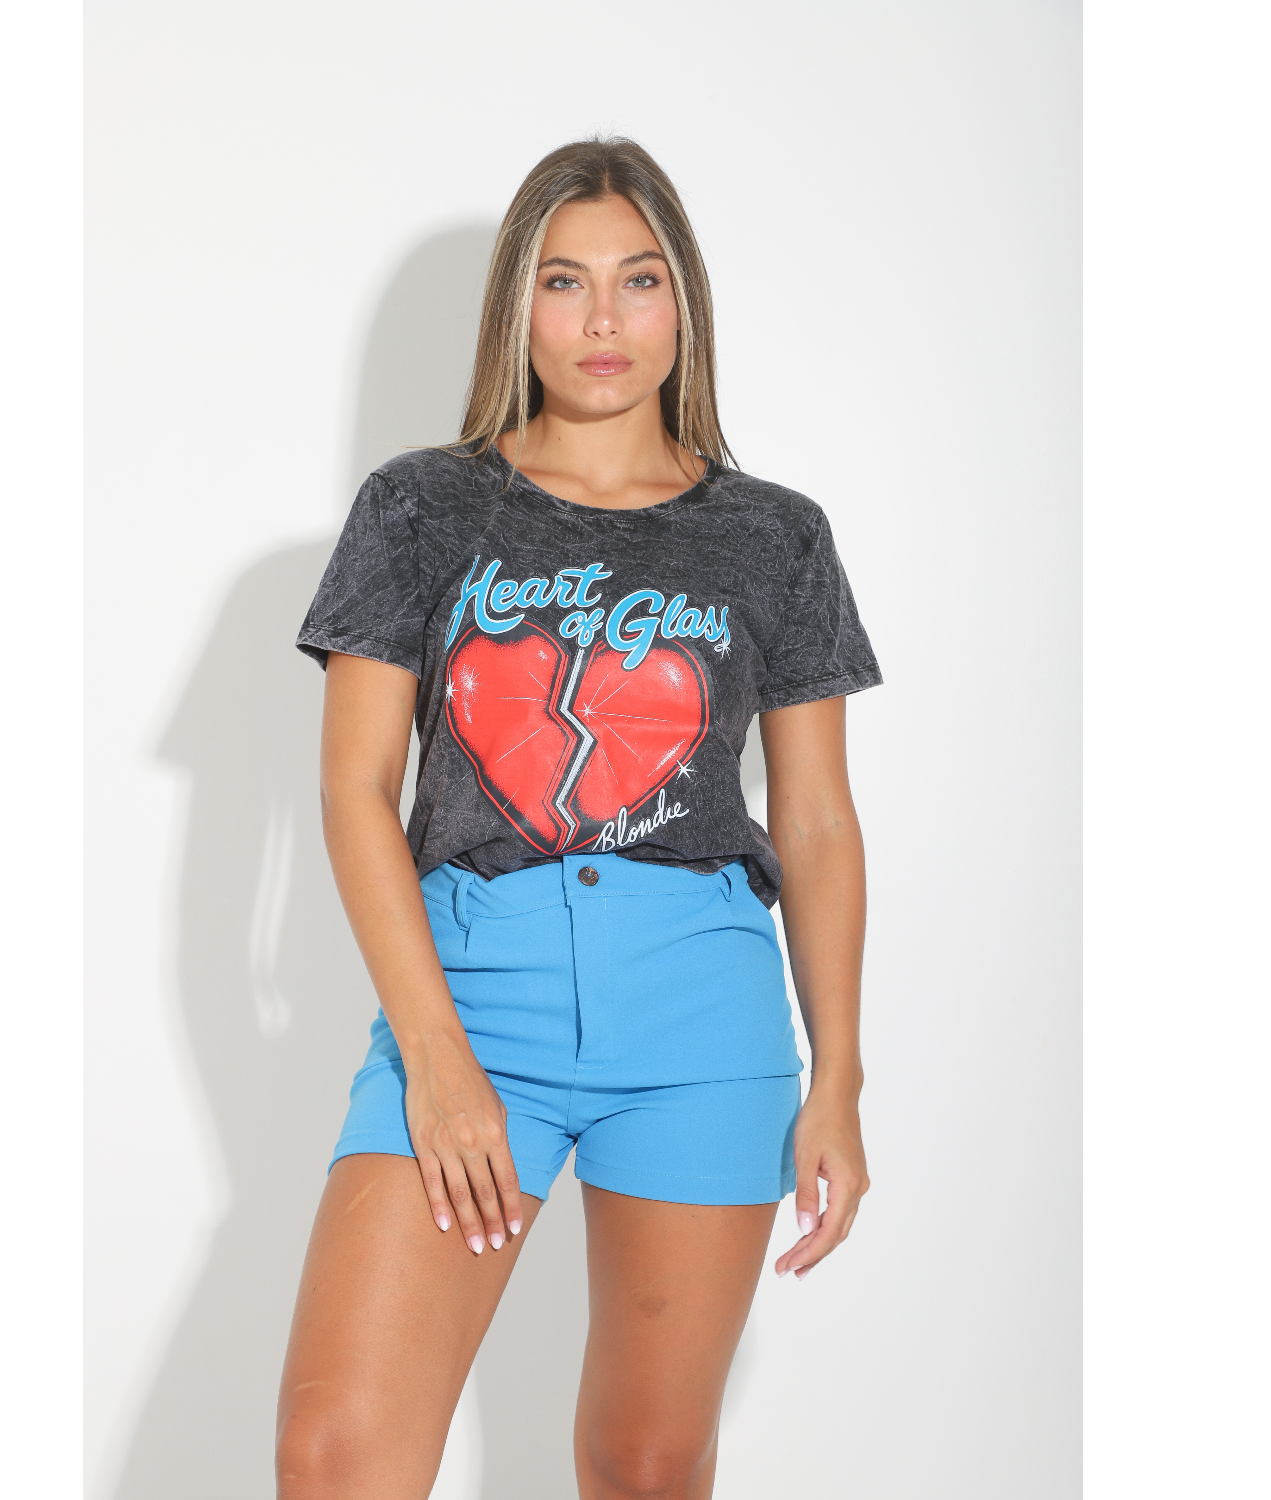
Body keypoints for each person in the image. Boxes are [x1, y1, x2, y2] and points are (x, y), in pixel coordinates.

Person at [281, 136, 880, 1499]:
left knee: (644, 1464)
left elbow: (818, 823)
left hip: (702, 1016)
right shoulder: (421, 506)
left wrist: (839, 1077)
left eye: (639, 280)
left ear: (685, 305)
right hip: (471, 993)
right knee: (337, 1453)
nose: (604, 319)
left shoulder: (777, 535)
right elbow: (355, 789)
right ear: (519, 306)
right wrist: (435, 1057)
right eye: (565, 281)